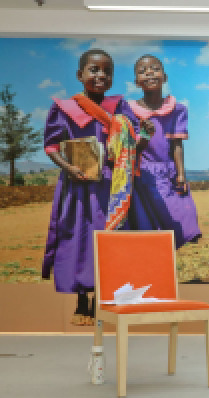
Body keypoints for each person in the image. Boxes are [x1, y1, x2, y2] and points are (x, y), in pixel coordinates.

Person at [41, 48, 145, 326]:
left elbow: (133, 142)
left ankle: (102, 296)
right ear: (80, 75)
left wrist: (144, 134)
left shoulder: (120, 107)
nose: (101, 75)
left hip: (111, 187)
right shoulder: (64, 108)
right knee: (78, 237)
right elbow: (51, 147)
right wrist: (69, 168)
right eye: (94, 69)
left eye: (107, 71)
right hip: (77, 185)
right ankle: (81, 301)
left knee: (107, 238)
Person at [128, 54, 202, 247]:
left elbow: (177, 144)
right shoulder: (130, 111)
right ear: (136, 82)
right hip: (142, 173)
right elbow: (132, 147)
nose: (149, 73)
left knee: (178, 217)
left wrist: (181, 174)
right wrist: (145, 135)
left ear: (165, 77)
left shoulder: (177, 110)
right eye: (142, 71)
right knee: (151, 221)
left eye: (155, 68)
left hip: (168, 171)